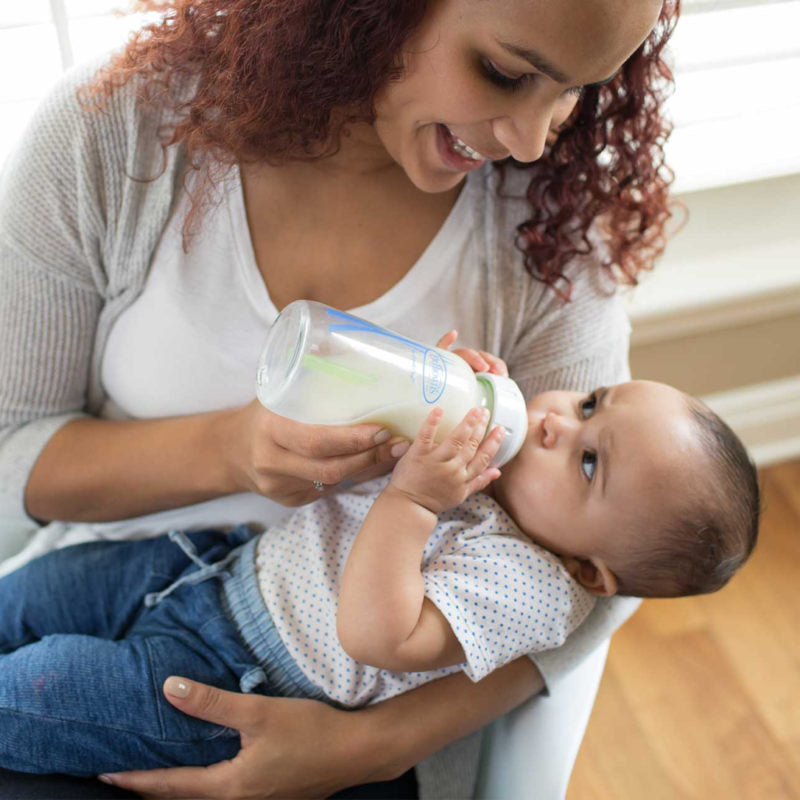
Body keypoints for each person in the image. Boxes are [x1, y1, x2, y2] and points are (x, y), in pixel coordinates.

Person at [0, 0, 681, 796]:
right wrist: (232, 451)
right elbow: (13, 451)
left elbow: (613, 565)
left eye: (574, 92)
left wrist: (375, 747)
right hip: (117, 578)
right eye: (504, 71)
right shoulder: (121, 130)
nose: (530, 140)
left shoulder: (552, 230)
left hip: (323, 699)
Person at [0, 373, 759, 777]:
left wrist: (414, 498)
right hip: (207, 565)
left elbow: (374, 632)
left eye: (589, 461)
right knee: (29, 595)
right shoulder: (494, 471)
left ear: (589, 570)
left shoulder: (532, 590)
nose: (558, 421)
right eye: (591, 401)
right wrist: (442, 389)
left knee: (40, 689)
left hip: (235, 676)